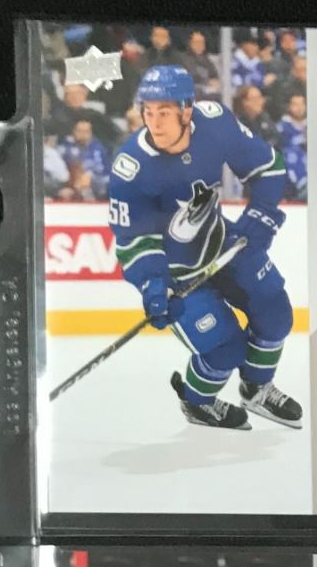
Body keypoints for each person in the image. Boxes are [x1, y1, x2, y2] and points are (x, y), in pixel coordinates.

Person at [107, 64, 302, 429]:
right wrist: (153, 285)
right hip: (177, 274)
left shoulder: (214, 122)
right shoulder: (131, 169)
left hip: (222, 245)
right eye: (148, 111)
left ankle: (257, 389)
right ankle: (197, 402)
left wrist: (261, 213)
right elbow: (134, 243)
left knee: (276, 313)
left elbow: (268, 167)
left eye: (164, 112)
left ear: (187, 110)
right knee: (225, 348)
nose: (154, 123)